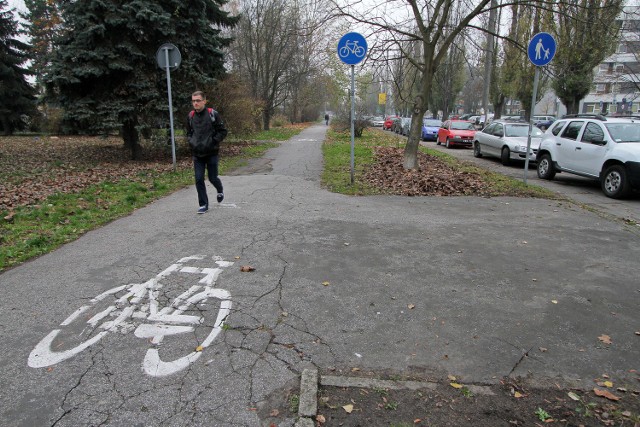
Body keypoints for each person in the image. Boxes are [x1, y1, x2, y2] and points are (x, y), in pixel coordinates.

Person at [187, 91, 228, 214]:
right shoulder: (190, 116)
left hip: (211, 153)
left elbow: (223, 131)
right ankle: (203, 204)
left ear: (204, 101)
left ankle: (219, 189)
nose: (195, 103)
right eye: (193, 101)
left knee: (212, 178)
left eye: (198, 100)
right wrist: (191, 142)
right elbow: (188, 133)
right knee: (198, 179)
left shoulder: (212, 114)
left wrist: (213, 142)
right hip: (197, 154)